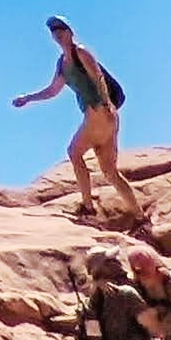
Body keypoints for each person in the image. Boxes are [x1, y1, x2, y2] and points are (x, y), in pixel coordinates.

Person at [13, 14, 145, 220]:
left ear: (70, 32)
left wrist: (106, 103)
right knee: (110, 173)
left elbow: (97, 75)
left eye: (61, 29)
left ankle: (88, 208)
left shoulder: (80, 52)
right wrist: (28, 98)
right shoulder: (62, 64)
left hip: (99, 112)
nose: (57, 34)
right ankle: (140, 218)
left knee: (74, 152)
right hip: (104, 117)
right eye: (53, 31)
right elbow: (52, 91)